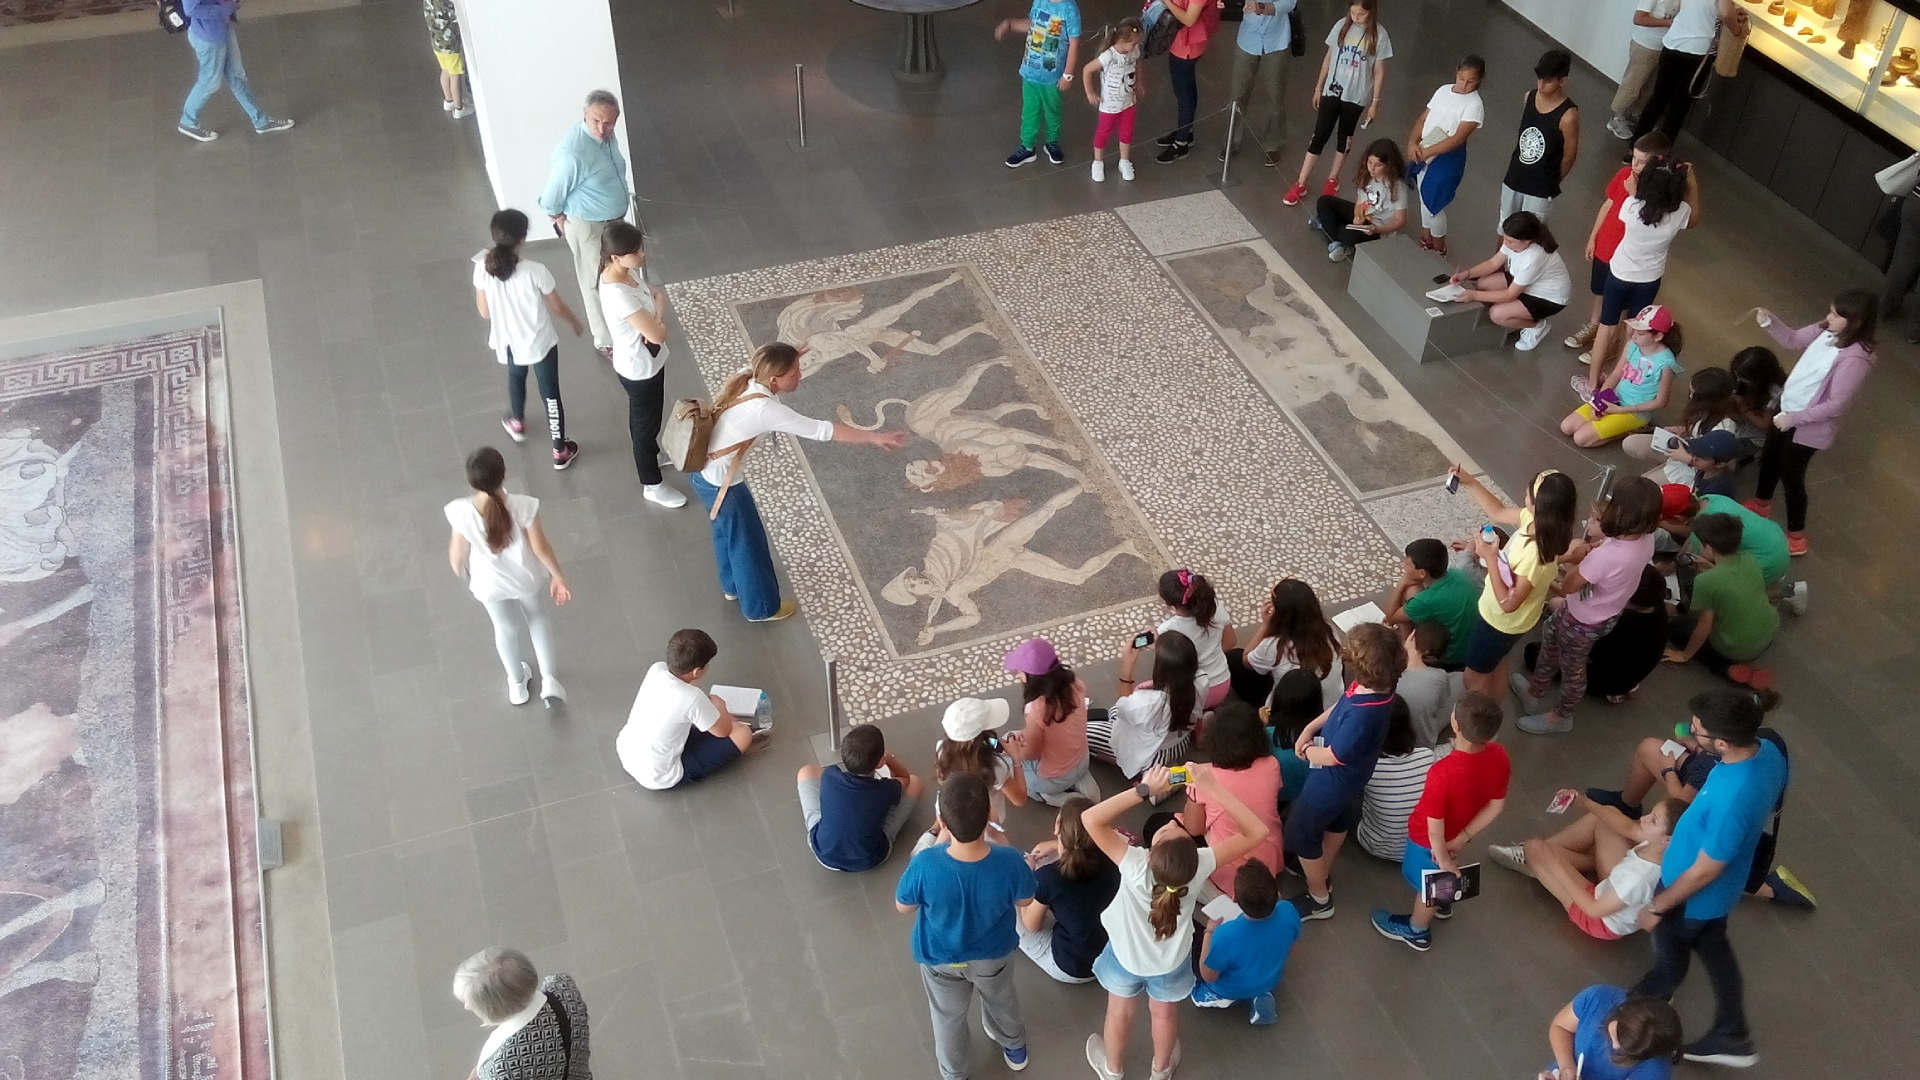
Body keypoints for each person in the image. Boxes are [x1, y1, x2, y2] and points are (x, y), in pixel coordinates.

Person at [694, 343, 907, 622]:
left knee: (727, 534)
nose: (800, 377)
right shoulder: (764, 409)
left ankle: (732, 586)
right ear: (774, 379)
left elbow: (764, 358)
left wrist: (790, 354)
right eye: (794, 373)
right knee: (749, 545)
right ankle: (761, 608)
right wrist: (874, 437)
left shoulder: (748, 377)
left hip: (703, 474)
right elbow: (821, 430)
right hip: (724, 487)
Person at [1082, 764, 1269, 1080]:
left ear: (1149, 854)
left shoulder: (1135, 865)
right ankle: (1161, 1070)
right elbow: (1257, 832)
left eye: (1169, 829)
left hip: (1125, 957)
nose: (1171, 822)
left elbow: (1091, 818)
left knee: (1119, 1013)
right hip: (1171, 962)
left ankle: (1112, 1071)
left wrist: (1144, 790)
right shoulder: (1200, 864)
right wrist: (1212, 788)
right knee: (1165, 1016)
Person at [1631, 689, 1786, 1068]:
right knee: (1714, 948)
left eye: (1697, 730)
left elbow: (1705, 870)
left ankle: (1651, 997)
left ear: (1721, 743)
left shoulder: (1733, 799)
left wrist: (1658, 906)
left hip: (1691, 895)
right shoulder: (1769, 749)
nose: (1690, 732)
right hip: (1721, 893)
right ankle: (1732, 1032)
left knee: (1670, 949)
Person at [895, 773, 1037, 1079]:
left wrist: (938, 843)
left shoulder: (924, 864)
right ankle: (1014, 1048)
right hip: (993, 955)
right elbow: (1025, 900)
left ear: (942, 821)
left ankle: (954, 1072)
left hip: (940, 959)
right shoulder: (1010, 860)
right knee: (1002, 999)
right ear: (989, 815)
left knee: (947, 1018)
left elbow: (903, 906)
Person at [1516, 477, 1662, 733]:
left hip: (1584, 620)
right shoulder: (1646, 539)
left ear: (1620, 511)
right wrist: (1595, 547)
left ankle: (1562, 716)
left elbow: (1568, 586)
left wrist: (1577, 558)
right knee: (1550, 636)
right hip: (1599, 612)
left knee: (1572, 669)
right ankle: (1534, 691)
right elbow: (1611, 552)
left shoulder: (1608, 557)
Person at [1370, 691, 1508, 951]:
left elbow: (1434, 827)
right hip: (1457, 833)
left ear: (1455, 725)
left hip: (1426, 840)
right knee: (1442, 874)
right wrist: (1462, 838)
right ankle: (1443, 903)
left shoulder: (1442, 773)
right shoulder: (1499, 755)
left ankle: (1417, 930)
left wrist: (1442, 857)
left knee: (1430, 883)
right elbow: (1496, 805)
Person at [1285, 621, 1405, 921]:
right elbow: (1343, 703)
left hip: (1331, 782)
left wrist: (1305, 750)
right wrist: (1311, 727)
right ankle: (1321, 870)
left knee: (1299, 833)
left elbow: (1333, 756)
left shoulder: (1364, 716)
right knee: (1337, 821)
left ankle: (1319, 897)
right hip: (1349, 782)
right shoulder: (1379, 688)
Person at [1748, 289, 1879, 556]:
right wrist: (1770, 322)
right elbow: (1794, 340)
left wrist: (1793, 419)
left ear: (1855, 322)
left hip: (1805, 426)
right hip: (1786, 409)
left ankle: (1796, 537)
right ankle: (1761, 504)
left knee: (1792, 476)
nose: (1828, 318)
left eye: (1836, 315)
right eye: (1830, 311)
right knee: (1770, 456)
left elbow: (1836, 404)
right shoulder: (1826, 329)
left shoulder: (1856, 358)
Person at [446, 447, 572, 706]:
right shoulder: (524, 506)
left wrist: (461, 571)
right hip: (524, 578)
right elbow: (541, 548)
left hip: (488, 584)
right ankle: (549, 680)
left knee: (504, 628)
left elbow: (457, 554)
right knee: (537, 619)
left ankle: (517, 683)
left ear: (471, 481)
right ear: (503, 475)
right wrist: (557, 576)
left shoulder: (460, 511)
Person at [1451, 466, 1578, 700]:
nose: (1524, 494)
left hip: (1500, 622)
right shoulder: (1540, 523)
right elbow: (1498, 511)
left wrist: (1490, 558)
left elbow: (1509, 603)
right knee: (1497, 660)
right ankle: (1496, 701)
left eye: (1529, 494)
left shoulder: (1534, 555)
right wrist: (1470, 482)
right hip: (1509, 621)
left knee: (1473, 678)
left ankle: (1480, 715)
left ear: (1539, 506)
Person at [472, 209, 585, 469]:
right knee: (550, 394)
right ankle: (559, 450)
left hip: (509, 342)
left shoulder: (482, 266)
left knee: (515, 376)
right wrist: (574, 322)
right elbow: (557, 307)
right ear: (523, 238)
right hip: (540, 342)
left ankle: (517, 422)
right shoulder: (536, 271)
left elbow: (484, 312)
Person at [1493, 795, 1679, 942]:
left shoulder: (1638, 878)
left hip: (1599, 918)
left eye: (1653, 820)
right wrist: (1584, 802)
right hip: (1614, 885)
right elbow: (1626, 827)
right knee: (1603, 818)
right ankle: (1549, 858)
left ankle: (1534, 860)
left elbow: (1594, 910)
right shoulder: (1663, 847)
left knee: (1534, 848)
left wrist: (1558, 869)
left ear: (1667, 839)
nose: (1644, 818)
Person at [1584, 156, 1698, 386]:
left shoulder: (1632, 206)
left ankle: (1592, 383)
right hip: (1650, 279)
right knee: (1634, 332)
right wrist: (1692, 182)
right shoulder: (1681, 212)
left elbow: (1637, 202)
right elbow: (1694, 219)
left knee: (1607, 327)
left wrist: (1634, 190)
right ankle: (1619, 382)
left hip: (1620, 274)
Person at [538, 91, 633, 357]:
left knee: (616, 277)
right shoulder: (573, 153)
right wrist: (559, 219)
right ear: (584, 114)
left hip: (613, 223)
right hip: (589, 227)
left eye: (609, 123)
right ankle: (606, 341)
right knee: (595, 283)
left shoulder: (607, 138)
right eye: (596, 122)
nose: (602, 129)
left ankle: (624, 326)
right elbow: (550, 199)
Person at [597, 221, 685, 508]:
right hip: (638, 368)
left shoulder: (626, 273)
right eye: (635, 252)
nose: (642, 254)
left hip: (650, 361)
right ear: (615, 257)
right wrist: (659, 316)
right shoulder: (619, 295)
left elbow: (656, 294)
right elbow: (658, 333)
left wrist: (656, 316)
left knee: (651, 418)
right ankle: (652, 484)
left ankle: (652, 453)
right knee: (644, 425)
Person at [616, 629, 769, 790]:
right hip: (659, 775)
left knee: (701, 718)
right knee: (742, 733)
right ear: (697, 671)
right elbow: (723, 731)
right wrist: (720, 706)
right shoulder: (692, 697)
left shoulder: (657, 669)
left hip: (627, 751)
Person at [1566, 133, 1671, 360]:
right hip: (1606, 246)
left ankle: (1611, 341)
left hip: (1628, 257)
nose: (1635, 165)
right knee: (1600, 290)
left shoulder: (1656, 192)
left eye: (1642, 162)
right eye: (1634, 158)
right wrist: (1593, 236)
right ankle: (1594, 325)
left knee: (1620, 303)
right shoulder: (1624, 175)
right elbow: (1608, 204)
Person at [1282, 0, 1392, 207]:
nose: (1356, 18)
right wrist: (1318, 87)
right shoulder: (1341, 25)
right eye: (1353, 13)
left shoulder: (1380, 35)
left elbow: (1379, 71)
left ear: (1371, 12)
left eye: (1361, 14)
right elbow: (1328, 58)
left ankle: (1333, 178)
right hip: (1332, 90)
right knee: (1319, 134)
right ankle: (1301, 182)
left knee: (1345, 137)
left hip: (1356, 95)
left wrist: (1375, 102)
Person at [1175, 702, 1283, 900]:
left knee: (1159, 825)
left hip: (1232, 871)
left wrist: (1192, 790)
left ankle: (1212, 894)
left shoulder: (1205, 779)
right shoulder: (1272, 764)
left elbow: (1193, 828)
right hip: (1270, 859)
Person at [1664, 514, 1778, 689]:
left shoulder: (1705, 581)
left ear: (1709, 548)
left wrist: (1685, 655)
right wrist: (1711, 568)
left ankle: (1725, 668)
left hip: (1737, 647)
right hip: (1769, 631)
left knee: (1677, 629)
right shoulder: (1750, 560)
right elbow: (1735, 580)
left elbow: (1704, 624)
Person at [1019, 796, 1121, 983]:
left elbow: (1031, 925)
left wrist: (1024, 878)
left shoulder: (1047, 877)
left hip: (1075, 966)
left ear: (1057, 826)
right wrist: (1054, 846)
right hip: (1111, 954)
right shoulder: (1115, 853)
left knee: (1007, 900)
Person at [797, 723, 922, 873]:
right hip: (870, 859)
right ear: (880, 763)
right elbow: (904, 778)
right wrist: (889, 759)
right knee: (916, 783)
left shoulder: (830, 775)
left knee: (806, 771)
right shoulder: (886, 789)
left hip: (822, 851)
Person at [1189, 860, 1300, 1026]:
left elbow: (1209, 975)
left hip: (1229, 988)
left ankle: (1218, 997)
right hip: (1270, 978)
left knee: (1193, 939)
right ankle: (1261, 993)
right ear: (1276, 894)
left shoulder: (1225, 935)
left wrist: (1209, 931)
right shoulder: (1289, 910)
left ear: (1234, 899)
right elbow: (1292, 947)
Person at [452, 948, 591, 1080]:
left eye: (470, 1002)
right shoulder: (563, 987)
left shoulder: (503, 1068)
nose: (466, 1006)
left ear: (496, 1008)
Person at [1088, 630, 1207, 780]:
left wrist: (1126, 667)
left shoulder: (1147, 703)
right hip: (1179, 745)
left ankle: (1150, 775)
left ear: (1160, 669)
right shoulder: (1202, 680)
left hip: (1150, 755)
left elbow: (1123, 706)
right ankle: (1164, 770)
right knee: (1113, 713)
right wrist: (1164, 648)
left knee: (1083, 733)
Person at [1447, 211, 1572, 350]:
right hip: (1526, 282)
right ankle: (1514, 312)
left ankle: (1537, 326)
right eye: (1505, 239)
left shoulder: (1533, 258)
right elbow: (1493, 263)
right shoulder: (1515, 242)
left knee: (1497, 314)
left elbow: (1510, 295)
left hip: (1548, 298)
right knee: (1483, 283)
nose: (1505, 244)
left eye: (1510, 241)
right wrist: (1467, 274)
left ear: (1526, 240)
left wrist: (1474, 295)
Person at [917, 697, 1029, 852]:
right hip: (984, 823)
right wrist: (1016, 757)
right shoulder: (995, 767)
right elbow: (1019, 799)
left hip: (953, 814)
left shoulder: (941, 749)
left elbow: (943, 781)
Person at [1561, 305, 1682, 447]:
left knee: (1580, 439)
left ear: (1658, 336)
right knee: (1567, 426)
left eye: (1640, 333)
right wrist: (1599, 402)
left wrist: (1619, 410)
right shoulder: (1632, 345)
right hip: (1615, 398)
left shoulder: (1665, 363)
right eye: (1634, 330)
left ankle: (1632, 429)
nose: (1634, 335)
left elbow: (1660, 402)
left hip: (1635, 412)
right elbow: (1616, 374)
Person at [175, 0, 294, 142]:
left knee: (236, 77)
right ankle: (188, 121)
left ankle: (261, 121)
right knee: (209, 82)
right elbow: (190, 10)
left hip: (221, 29)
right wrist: (225, 9)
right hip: (209, 38)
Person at [1630, 0, 1746, 146]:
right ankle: (1660, 153)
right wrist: (1738, 31)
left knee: (1657, 100)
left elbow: (1708, 11)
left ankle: (1636, 148)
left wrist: (1730, 13)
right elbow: (1726, 13)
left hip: (1672, 43)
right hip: (1697, 52)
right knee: (1678, 108)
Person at [1405, 56, 1486, 256]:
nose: (1464, 85)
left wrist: (1426, 152)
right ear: (1456, 72)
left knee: (1434, 203)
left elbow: (1458, 139)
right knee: (1424, 196)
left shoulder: (1474, 105)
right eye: (1461, 78)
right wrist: (1412, 142)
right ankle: (1426, 238)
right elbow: (1423, 119)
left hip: (1447, 157)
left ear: (1479, 80)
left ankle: (1439, 247)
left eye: (1470, 81)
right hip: (1425, 147)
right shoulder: (1443, 90)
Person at [1004, 637, 1101, 806]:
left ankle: (1056, 798)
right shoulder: (1074, 684)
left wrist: (1014, 751)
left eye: (1019, 671)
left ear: (1028, 676)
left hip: (1054, 777)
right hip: (1082, 759)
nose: (1018, 674)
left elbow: (1032, 753)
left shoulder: (1037, 708)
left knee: (1007, 748)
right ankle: (1081, 782)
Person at [1558, 564, 1671, 704]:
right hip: (1630, 672)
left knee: (1540, 652)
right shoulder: (1656, 606)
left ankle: (1613, 691)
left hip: (1606, 679)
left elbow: (1589, 651)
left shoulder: (1623, 625)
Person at [1229, 576, 1343, 709]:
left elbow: (1246, 660)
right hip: (1332, 707)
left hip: (1292, 710)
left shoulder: (1274, 646)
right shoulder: (1329, 631)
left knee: (1234, 658)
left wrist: (1266, 625)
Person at [996, 0, 1083, 168]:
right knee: (1030, 111)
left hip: (1052, 75)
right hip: (1030, 71)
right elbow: (1032, 23)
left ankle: (1052, 142)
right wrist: (1010, 24)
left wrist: (1068, 74)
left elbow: (1074, 43)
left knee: (1052, 110)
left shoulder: (1069, 9)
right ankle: (1027, 147)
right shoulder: (1039, 1)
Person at [1499, 51, 1580, 225]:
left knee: (1530, 232)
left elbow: (1569, 155)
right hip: (1515, 176)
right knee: (1505, 225)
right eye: (1540, 79)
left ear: (1562, 81)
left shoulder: (1568, 116)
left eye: (1548, 81)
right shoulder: (1529, 97)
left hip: (1540, 188)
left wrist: (1551, 181)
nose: (1541, 85)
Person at [1623, 369, 1737, 490]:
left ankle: (1669, 482)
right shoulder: (1705, 410)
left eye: (1693, 393)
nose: (1690, 396)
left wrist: (1687, 459)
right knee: (1630, 443)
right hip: (1684, 449)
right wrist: (1682, 430)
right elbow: (1699, 432)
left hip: (1692, 469)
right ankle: (1663, 468)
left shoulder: (1723, 429)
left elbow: (1713, 464)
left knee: (1639, 490)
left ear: (1707, 400)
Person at [1659, 486, 1790, 591]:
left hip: (1768, 563)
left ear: (1678, 519)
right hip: (1777, 540)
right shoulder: (1709, 498)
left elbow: (1694, 553)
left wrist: (1672, 567)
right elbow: (1692, 538)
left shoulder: (1705, 532)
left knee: (1713, 584)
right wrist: (1671, 566)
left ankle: (1776, 592)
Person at [1354, 697, 1437, 860]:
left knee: (1346, 798)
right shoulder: (1428, 756)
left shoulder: (1367, 766)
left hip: (1377, 846)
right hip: (1420, 848)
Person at [1539, 986, 1683, 1080]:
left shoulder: (1655, 1071)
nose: (1615, 1046)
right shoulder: (1598, 998)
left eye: (1627, 1050)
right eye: (1618, 1034)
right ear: (1622, 1010)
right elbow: (1561, 1027)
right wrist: (1566, 1066)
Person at [1220, 0, 1298, 169]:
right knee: (1238, 93)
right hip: (1248, 38)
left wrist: (1261, 8)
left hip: (1276, 40)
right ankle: (1231, 140)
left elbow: (1290, 3)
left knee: (1275, 94)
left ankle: (1273, 144)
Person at [1385, 538, 1479, 669]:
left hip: (1449, 657)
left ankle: (1407, 650)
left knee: (1408, 592)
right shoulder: (1456, 574)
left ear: (1422, 573)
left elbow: (1390, 618)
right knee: (1414, 595)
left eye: (1407, 564)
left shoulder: (1426, 600)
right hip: (1471, 646)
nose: (1403, 565)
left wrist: (1402, 584)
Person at [1313, 138, 1410, 263]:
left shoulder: (1397, 187)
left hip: (1377, 229)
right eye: (1370, 162)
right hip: (1365, 218)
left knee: (1348, 235)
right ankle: (1337, 239)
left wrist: (1377, 229)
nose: (1372, 168)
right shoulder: (1367, 175)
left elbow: (1400, 220)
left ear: (1389, 165)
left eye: (1378, 165)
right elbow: (1360, 201)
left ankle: (1330, 230)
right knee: (1324, 201)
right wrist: (1357, 216)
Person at [1150, 0, 1221, 164]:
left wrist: (1167, 2)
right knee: (1186, 88)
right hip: (1182, 40)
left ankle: (1181, 143)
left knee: (1184, 93)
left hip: (1188, 45)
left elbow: (1189, 20)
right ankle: (1186, 131)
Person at [1156, 568, 1235, 707]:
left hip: (1194, 694)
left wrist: (1157, 643)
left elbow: (1167, 668)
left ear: (1172, 606)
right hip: (1223, 683)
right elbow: (1230, 642)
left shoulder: (1167, 630)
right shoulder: (1216, 607)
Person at [1083, 17, 1145, 182]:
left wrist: (1139, 82)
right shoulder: (1108, 56)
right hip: (1109, 105)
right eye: (1134, 44)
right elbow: (1087, 69)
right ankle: (1097, 162)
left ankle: (1124, 160)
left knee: (1127, 131)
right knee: (1103, 132)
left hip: (1128, 102)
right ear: (1122, 40)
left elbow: (1138, 63)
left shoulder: (1134, 52)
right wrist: (1090, 92)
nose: (1137, 47)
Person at [1611, 0, 1683, 139]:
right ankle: (1617, 118)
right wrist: (1669, 23)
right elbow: (1639, 18)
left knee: (1650, 87)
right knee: (1633, 84)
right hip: (1645, 45)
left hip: (1665, 46)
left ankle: (1635, 115)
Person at [1265, 669, 1320, 809]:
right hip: (1311, 800)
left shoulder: (1265, 736)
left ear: (1278, 699)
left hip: (1275, 798)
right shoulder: (1324, 738)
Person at [1396, 623, 1456, 745]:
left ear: (1412, 637)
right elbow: (1440, 705)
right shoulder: (1440, 676)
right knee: (1459, 678)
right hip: (1424, 742)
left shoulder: (1392, 671)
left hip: (1393, 741)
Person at [1728, 346, 1787, 460]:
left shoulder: (1774, 393)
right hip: (1745, 420)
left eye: (1743, 378)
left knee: (1727, 453)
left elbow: (1765, 424)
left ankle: (1754, 454)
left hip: (1757, 436)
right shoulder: (1747, 381)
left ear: (1759, 378)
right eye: (1736, 376)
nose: (1738, 380)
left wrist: (1744, 409)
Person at [423, 0, 472, 118]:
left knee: (445, 71)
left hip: (437, 42)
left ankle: (449, 100)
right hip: (450, 44)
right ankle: (459, 108)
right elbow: (455, 16)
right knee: (455, 76)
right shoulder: (444, 2)